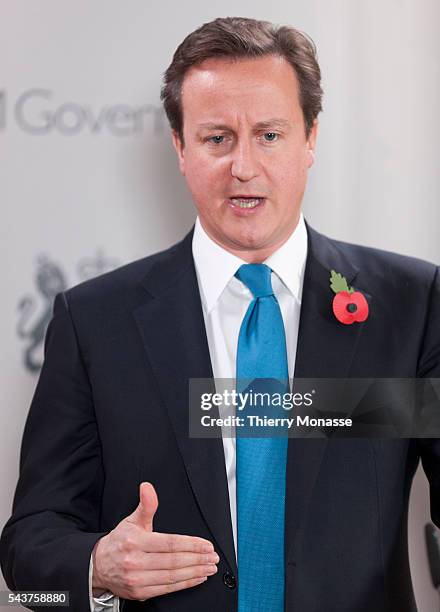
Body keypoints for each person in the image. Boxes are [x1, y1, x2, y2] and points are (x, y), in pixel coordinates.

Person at [1, 16, 439, 612]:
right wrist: (97, 570)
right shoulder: (94, 322)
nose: (244, 166)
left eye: (269, 134)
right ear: (180, 147)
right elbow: (28, 566)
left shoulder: (411, 303)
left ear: (311, 137)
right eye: (216, 138)